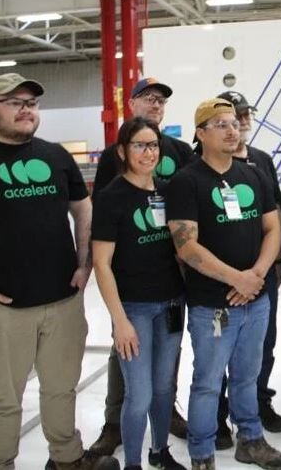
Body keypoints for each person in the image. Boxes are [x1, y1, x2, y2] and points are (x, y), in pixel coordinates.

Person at [0, 73, 117, 469]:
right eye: (14, 103)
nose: (26, 110)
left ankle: (67, 459)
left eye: (31, 103)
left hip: (63, 301)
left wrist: (84, 264)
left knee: (61, 389)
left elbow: (82, 210)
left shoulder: (56, 156)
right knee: (1, 398)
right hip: (3, 308)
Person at [167, 98, 281, 470]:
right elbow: (186, 246)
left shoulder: (254, 175)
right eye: (220, 124)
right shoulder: (186, 181)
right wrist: (237, 279)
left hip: (256, 299)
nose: (232, 130)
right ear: (201, 134)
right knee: (207, 382)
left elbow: (273, 228)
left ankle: (250, 440)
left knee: (248, 376)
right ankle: (202, 453)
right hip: (213, 305)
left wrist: (257, 276)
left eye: (234, 123)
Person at [90, 77, 193, 456]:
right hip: (133, 299)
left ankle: (161, 439)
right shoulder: (112, 179)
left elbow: (187, 230)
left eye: (161, 100)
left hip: (171, 298)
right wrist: (118, 316)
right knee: (136, 383)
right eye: (148, 98)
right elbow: (103, 251)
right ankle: (114, 425)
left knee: (163, 382)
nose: (156, 104)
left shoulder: (178, 159)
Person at [207, 90, 281, 448]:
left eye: (243, 116)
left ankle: (258, 401)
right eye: (231, 118)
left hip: (261, 276)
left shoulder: (262, 161)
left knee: (262, 346)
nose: (240, 124)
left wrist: (272, 265)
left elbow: (275, 218)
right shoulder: (200, 165)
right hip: (218, 282)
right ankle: (218, 413)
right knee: (218, 351)